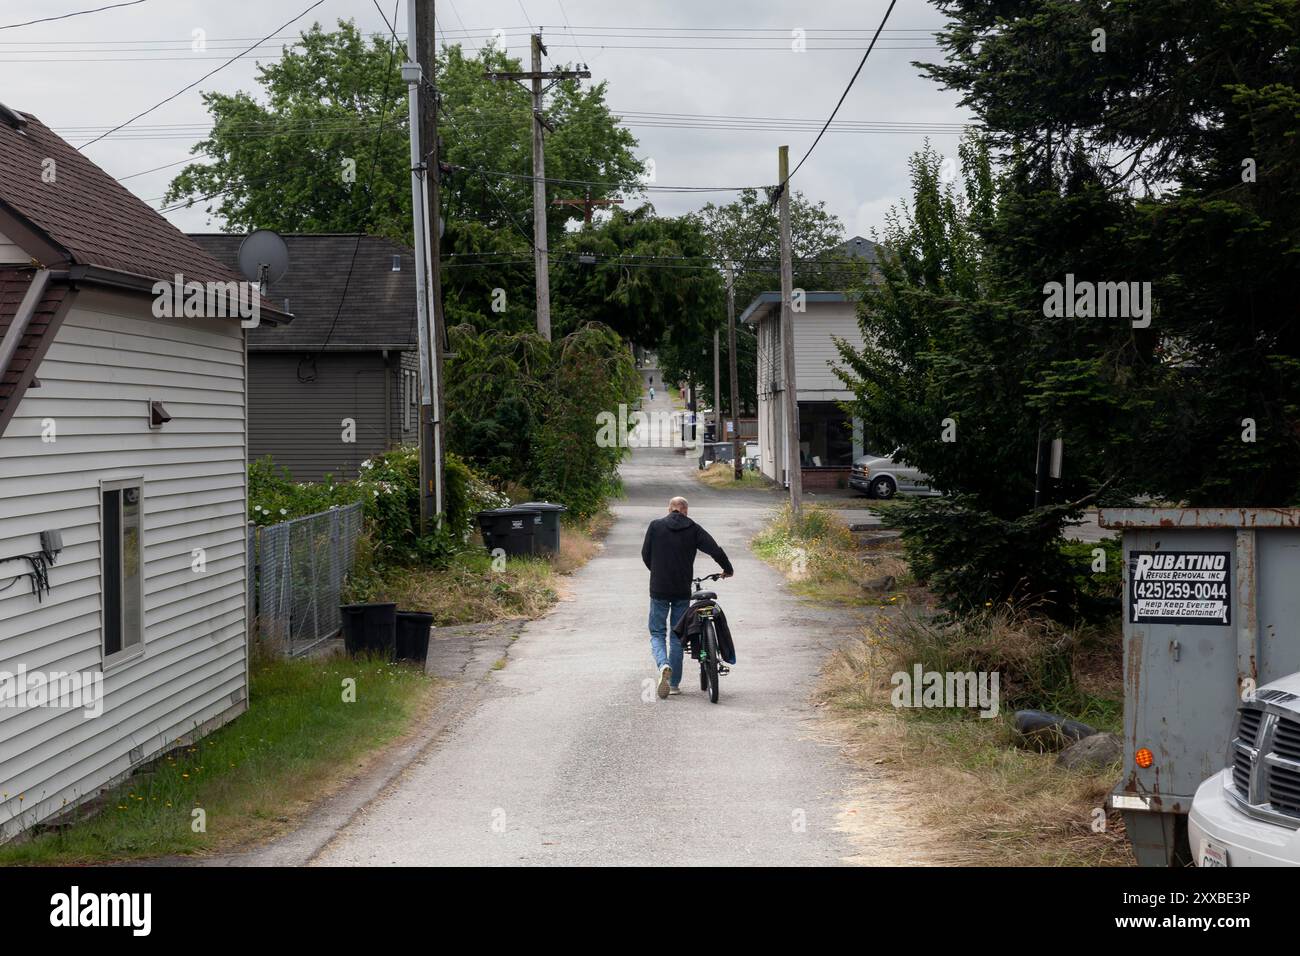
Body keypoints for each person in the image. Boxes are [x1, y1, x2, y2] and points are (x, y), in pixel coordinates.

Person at [640, 496, 733, 698]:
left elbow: (646, 554)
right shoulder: (693, 528)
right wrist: (727, 569)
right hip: (682, 589)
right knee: (676, 635)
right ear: (685, 511)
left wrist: (657, 572)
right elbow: (714, 549)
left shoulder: (655, 526)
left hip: (659, 588)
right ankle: (673, 685)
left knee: (657, 632)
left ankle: (663, 665)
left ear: (669, 508)